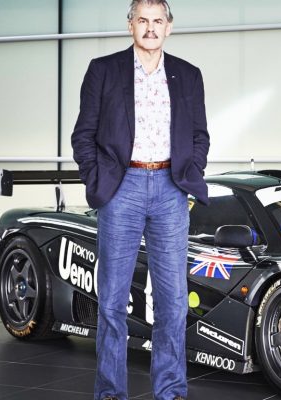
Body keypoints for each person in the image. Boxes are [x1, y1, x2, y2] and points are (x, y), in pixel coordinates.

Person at [71, 0, 210, 399]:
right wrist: (98, 179)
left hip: (170, 189)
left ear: (169, 27)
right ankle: (110, 392)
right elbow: (83, 135)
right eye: (143, 20)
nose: (150, 28)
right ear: (130, 24)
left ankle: (171, 391)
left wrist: (187, 175)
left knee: (173, 302)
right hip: (122, 188)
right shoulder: (103, 70)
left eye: (158, 21)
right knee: (113, 301)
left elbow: (199, 135)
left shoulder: (188, 75)